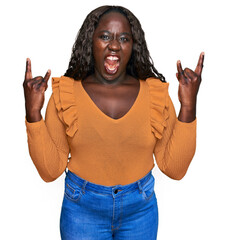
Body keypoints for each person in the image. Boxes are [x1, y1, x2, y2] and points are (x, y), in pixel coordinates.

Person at [23, 5, 204, 240]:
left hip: (140, 210)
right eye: (105, 36)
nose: (115, 45)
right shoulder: (65, 94)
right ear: (91, 41)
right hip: (82, 210)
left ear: (133, 46)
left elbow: (175, 168)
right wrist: (33, 112)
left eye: (124, 38)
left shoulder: (155, 95)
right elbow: (50, 171)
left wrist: (188, 106)